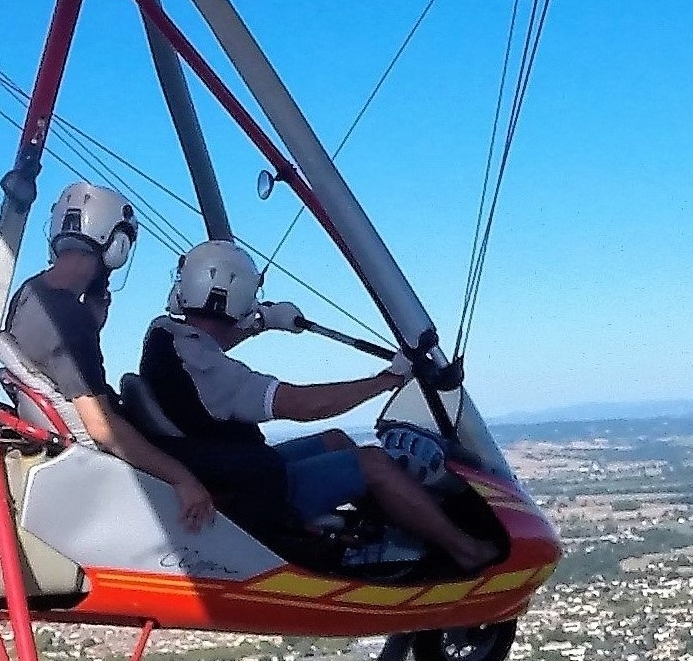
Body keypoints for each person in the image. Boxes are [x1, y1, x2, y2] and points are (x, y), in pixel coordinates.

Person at [138, 239, 497, 570]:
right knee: (373, 463)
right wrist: (385, 381)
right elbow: (303, 405)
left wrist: (263, 321)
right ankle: (467, 551)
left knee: (337, 440)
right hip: (252, 497)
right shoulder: (207, 369)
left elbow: (213, 337)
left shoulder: (168, 337)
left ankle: (399, 533)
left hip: (228, 466)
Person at [2, 181, 216, 532]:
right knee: (256, 467)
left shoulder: (31, 293)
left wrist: (93, 325)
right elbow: (102, 428)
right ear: (115, 245)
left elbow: (60, 365)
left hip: (74, 447)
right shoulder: (68, 321)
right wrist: (182, 479)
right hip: (111, 455)